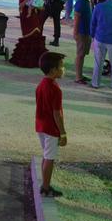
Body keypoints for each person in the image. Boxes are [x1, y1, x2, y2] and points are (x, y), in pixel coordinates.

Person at [36, 51, 68, 197]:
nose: (63, 69)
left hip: (40, 126)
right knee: (50, 158)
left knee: (46, 155)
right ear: (53, 70)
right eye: (61, 66)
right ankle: (46, 187)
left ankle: (45, 184)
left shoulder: (41, 84)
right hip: (51, 128)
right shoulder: (55, 89)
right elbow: (57, 113)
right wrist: (63, 132)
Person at [72, 0, 94, 85]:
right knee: (80, 55)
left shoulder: (86, 2)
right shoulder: (81, 2)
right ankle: (77, 77)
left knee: (83, 55)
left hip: (86, 32)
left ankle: (80, 75)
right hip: (81, 32)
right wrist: (75, 32)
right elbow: (76, 18)